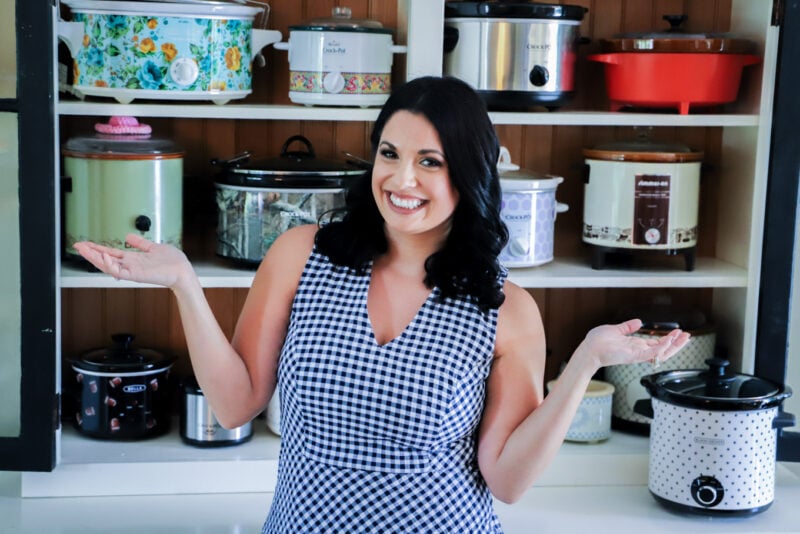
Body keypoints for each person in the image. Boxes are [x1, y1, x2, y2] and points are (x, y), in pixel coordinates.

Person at [74, 76, 690, 533]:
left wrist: (582, 364)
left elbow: (505, 481)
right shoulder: (300, 255)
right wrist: (185, 282)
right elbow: (236, 403)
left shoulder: (505, 309)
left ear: (468, 175)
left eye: (430, 162)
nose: (402, 180)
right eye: (390, 154)